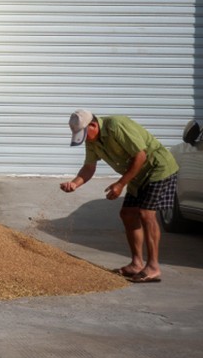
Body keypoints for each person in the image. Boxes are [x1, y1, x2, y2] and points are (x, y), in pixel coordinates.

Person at [59, 109, 180, 283]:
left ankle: (153, 267)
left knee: (146, 214)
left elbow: (140, 156)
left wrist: (121, 184)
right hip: (137, 176)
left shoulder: (116, 126)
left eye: (84, 134)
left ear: (93, 125)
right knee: (128, 214)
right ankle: (137, 263)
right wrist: (74, 184)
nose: (84, 139)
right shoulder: (92, 140)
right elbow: (89, 167)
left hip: (158, 168)